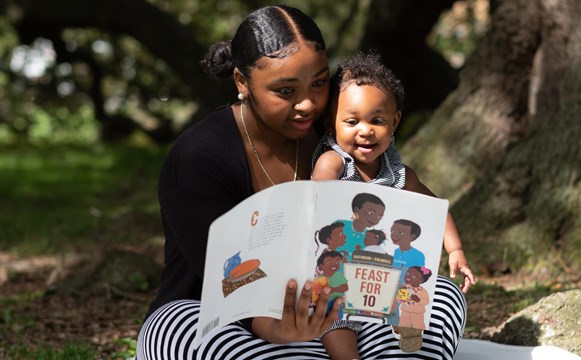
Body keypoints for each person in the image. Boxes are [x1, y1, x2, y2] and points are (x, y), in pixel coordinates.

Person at [136, 5, 469, 359]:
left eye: (320, 83)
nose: (308, 104)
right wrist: (278, 326)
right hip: (218, 315)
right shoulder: (198, 156)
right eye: (285, 91)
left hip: (333, 304)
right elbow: (223, 282)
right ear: (241, 83)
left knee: (441, 298)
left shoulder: (335, 140)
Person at [312, 50, 477, 354]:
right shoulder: (334, 162)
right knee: (334, 320)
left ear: (395, 121)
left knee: (410, 288)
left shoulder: (398, 173)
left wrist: (455, 249)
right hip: (339, 274)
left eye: (378, 120)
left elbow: (433, 207)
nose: (366, 130)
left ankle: (405, 328)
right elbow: (320, 194)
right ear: (330, 122)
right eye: (351, 121)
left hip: (379, 272)